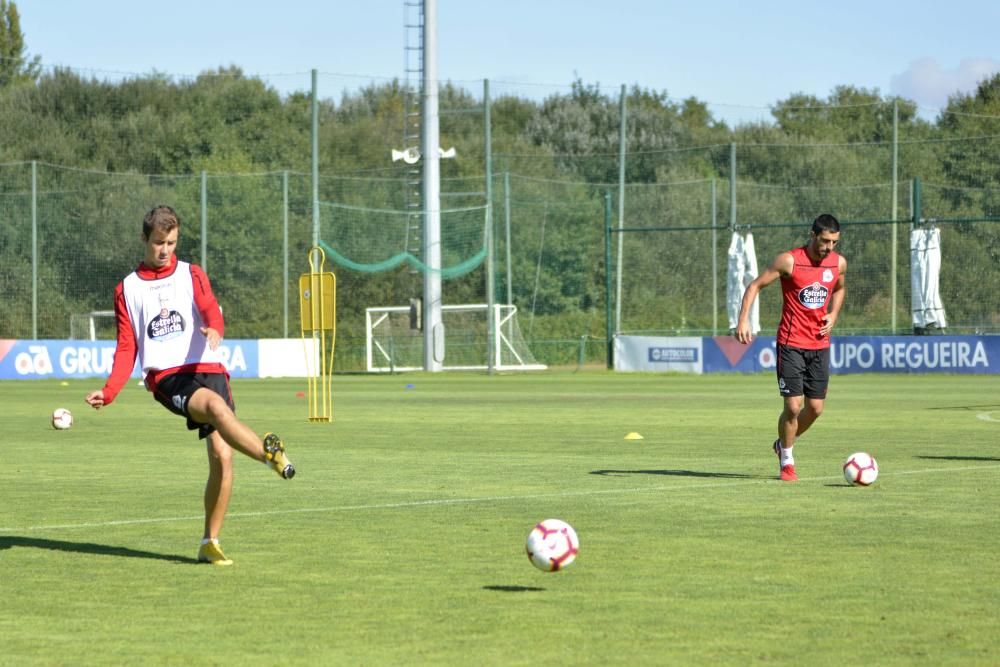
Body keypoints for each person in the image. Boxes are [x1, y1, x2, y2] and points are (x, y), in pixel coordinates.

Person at [85, 205, 295, 565]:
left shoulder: (191, 273)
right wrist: (110, 390)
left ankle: (209, 543)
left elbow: (211, 308)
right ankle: (268, 454)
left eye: (171, 242)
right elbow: (127, 346)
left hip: (208, 367)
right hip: (169, 376)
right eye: (158, 243)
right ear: (144, 240)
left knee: (223, 457)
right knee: (214, 408)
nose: (165, 250)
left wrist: (216, 328)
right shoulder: (127, 289)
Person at [734, 213, 847, 482]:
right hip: (791, 342)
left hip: (819, 345)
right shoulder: (789, 260)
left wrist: (834, 315)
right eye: (824, 240)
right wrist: (743, 320)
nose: (829, 247)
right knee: (794, 407)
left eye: (833, 242)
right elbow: (755, 286)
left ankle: (782, 442)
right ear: (812, 235)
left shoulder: (838, 263)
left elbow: (840, 289)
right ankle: (787, 460)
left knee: (816, 408)